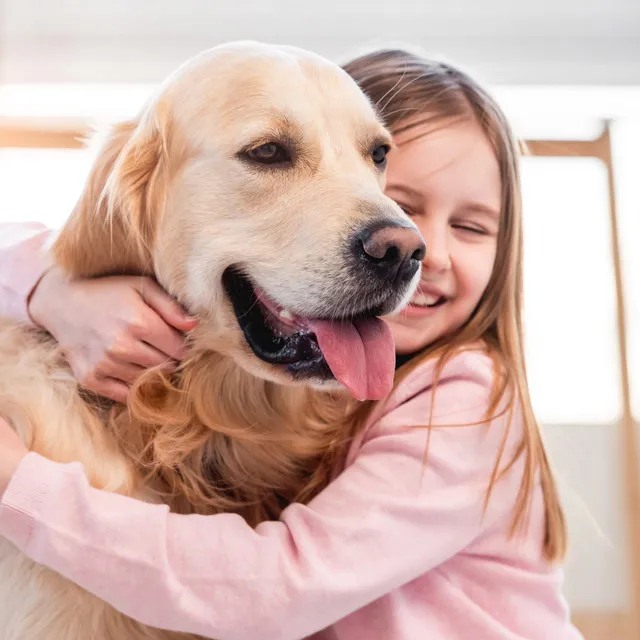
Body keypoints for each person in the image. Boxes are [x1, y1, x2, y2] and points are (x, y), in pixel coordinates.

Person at [0, 49, 582, 639]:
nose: (409, 241)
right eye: (270, 153)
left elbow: (277, 585)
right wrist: (54, 290)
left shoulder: (458, 403)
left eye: (374, 157)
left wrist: (16, 482)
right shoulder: (324, 374)